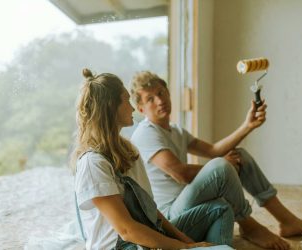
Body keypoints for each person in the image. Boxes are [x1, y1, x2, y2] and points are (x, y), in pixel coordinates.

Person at [130, 71, 302, 250]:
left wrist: (247, 126)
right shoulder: (146, 133)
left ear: (169, 94)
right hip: (171, 216)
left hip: (190, 202)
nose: (160, 101)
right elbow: (181, 173)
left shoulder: (176, 130)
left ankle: (287, 220)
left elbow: (213, 150)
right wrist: (223, 163)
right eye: (150, 99)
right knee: (221, 166)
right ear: (141, 109)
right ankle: (250, 226)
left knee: (237, 156)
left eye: (161, 93)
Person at [71, 69, 235, 250]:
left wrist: (187, 241)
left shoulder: (127, 151)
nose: (133, 108)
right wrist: (185, 248)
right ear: (111, 107)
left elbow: (150, 211)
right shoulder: (93, 164)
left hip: (149, 239)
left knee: (220, 209)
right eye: (127, 100)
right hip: (125, 246)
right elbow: (127, 230)